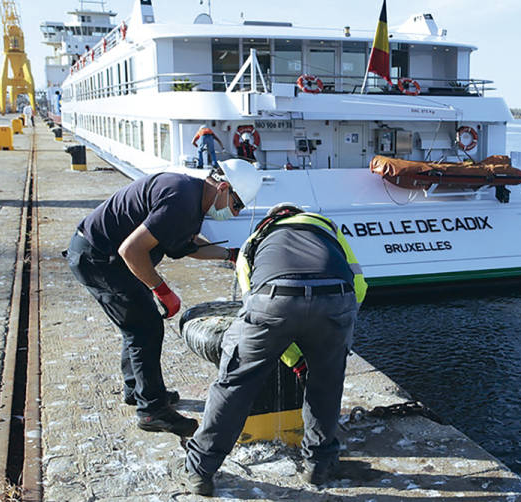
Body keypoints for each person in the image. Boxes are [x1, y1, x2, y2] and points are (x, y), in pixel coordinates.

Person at [65, 159, 262, 436]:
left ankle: (138, 390)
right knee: (145, 327)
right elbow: (131, 251)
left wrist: (230, 254)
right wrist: (162, 290)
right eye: (237, 205)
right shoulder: (181, 200)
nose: (234, 212)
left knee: (134, 324)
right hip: (100, 258)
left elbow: (188, 245)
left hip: (101, 253)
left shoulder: (190, 196)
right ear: (224, 188)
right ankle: (152, 411)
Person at [184, 203, 368, 496]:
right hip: (337, 299)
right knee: (326, 384)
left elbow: (251, 302)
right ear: (297, 214)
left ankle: (200, 469)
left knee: (235, 383)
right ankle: (318, 466)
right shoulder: (325, 226)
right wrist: (336, 329)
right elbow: (359, 285)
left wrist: (293, 358)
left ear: (272, 218)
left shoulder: (256, 238)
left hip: (274, 298)